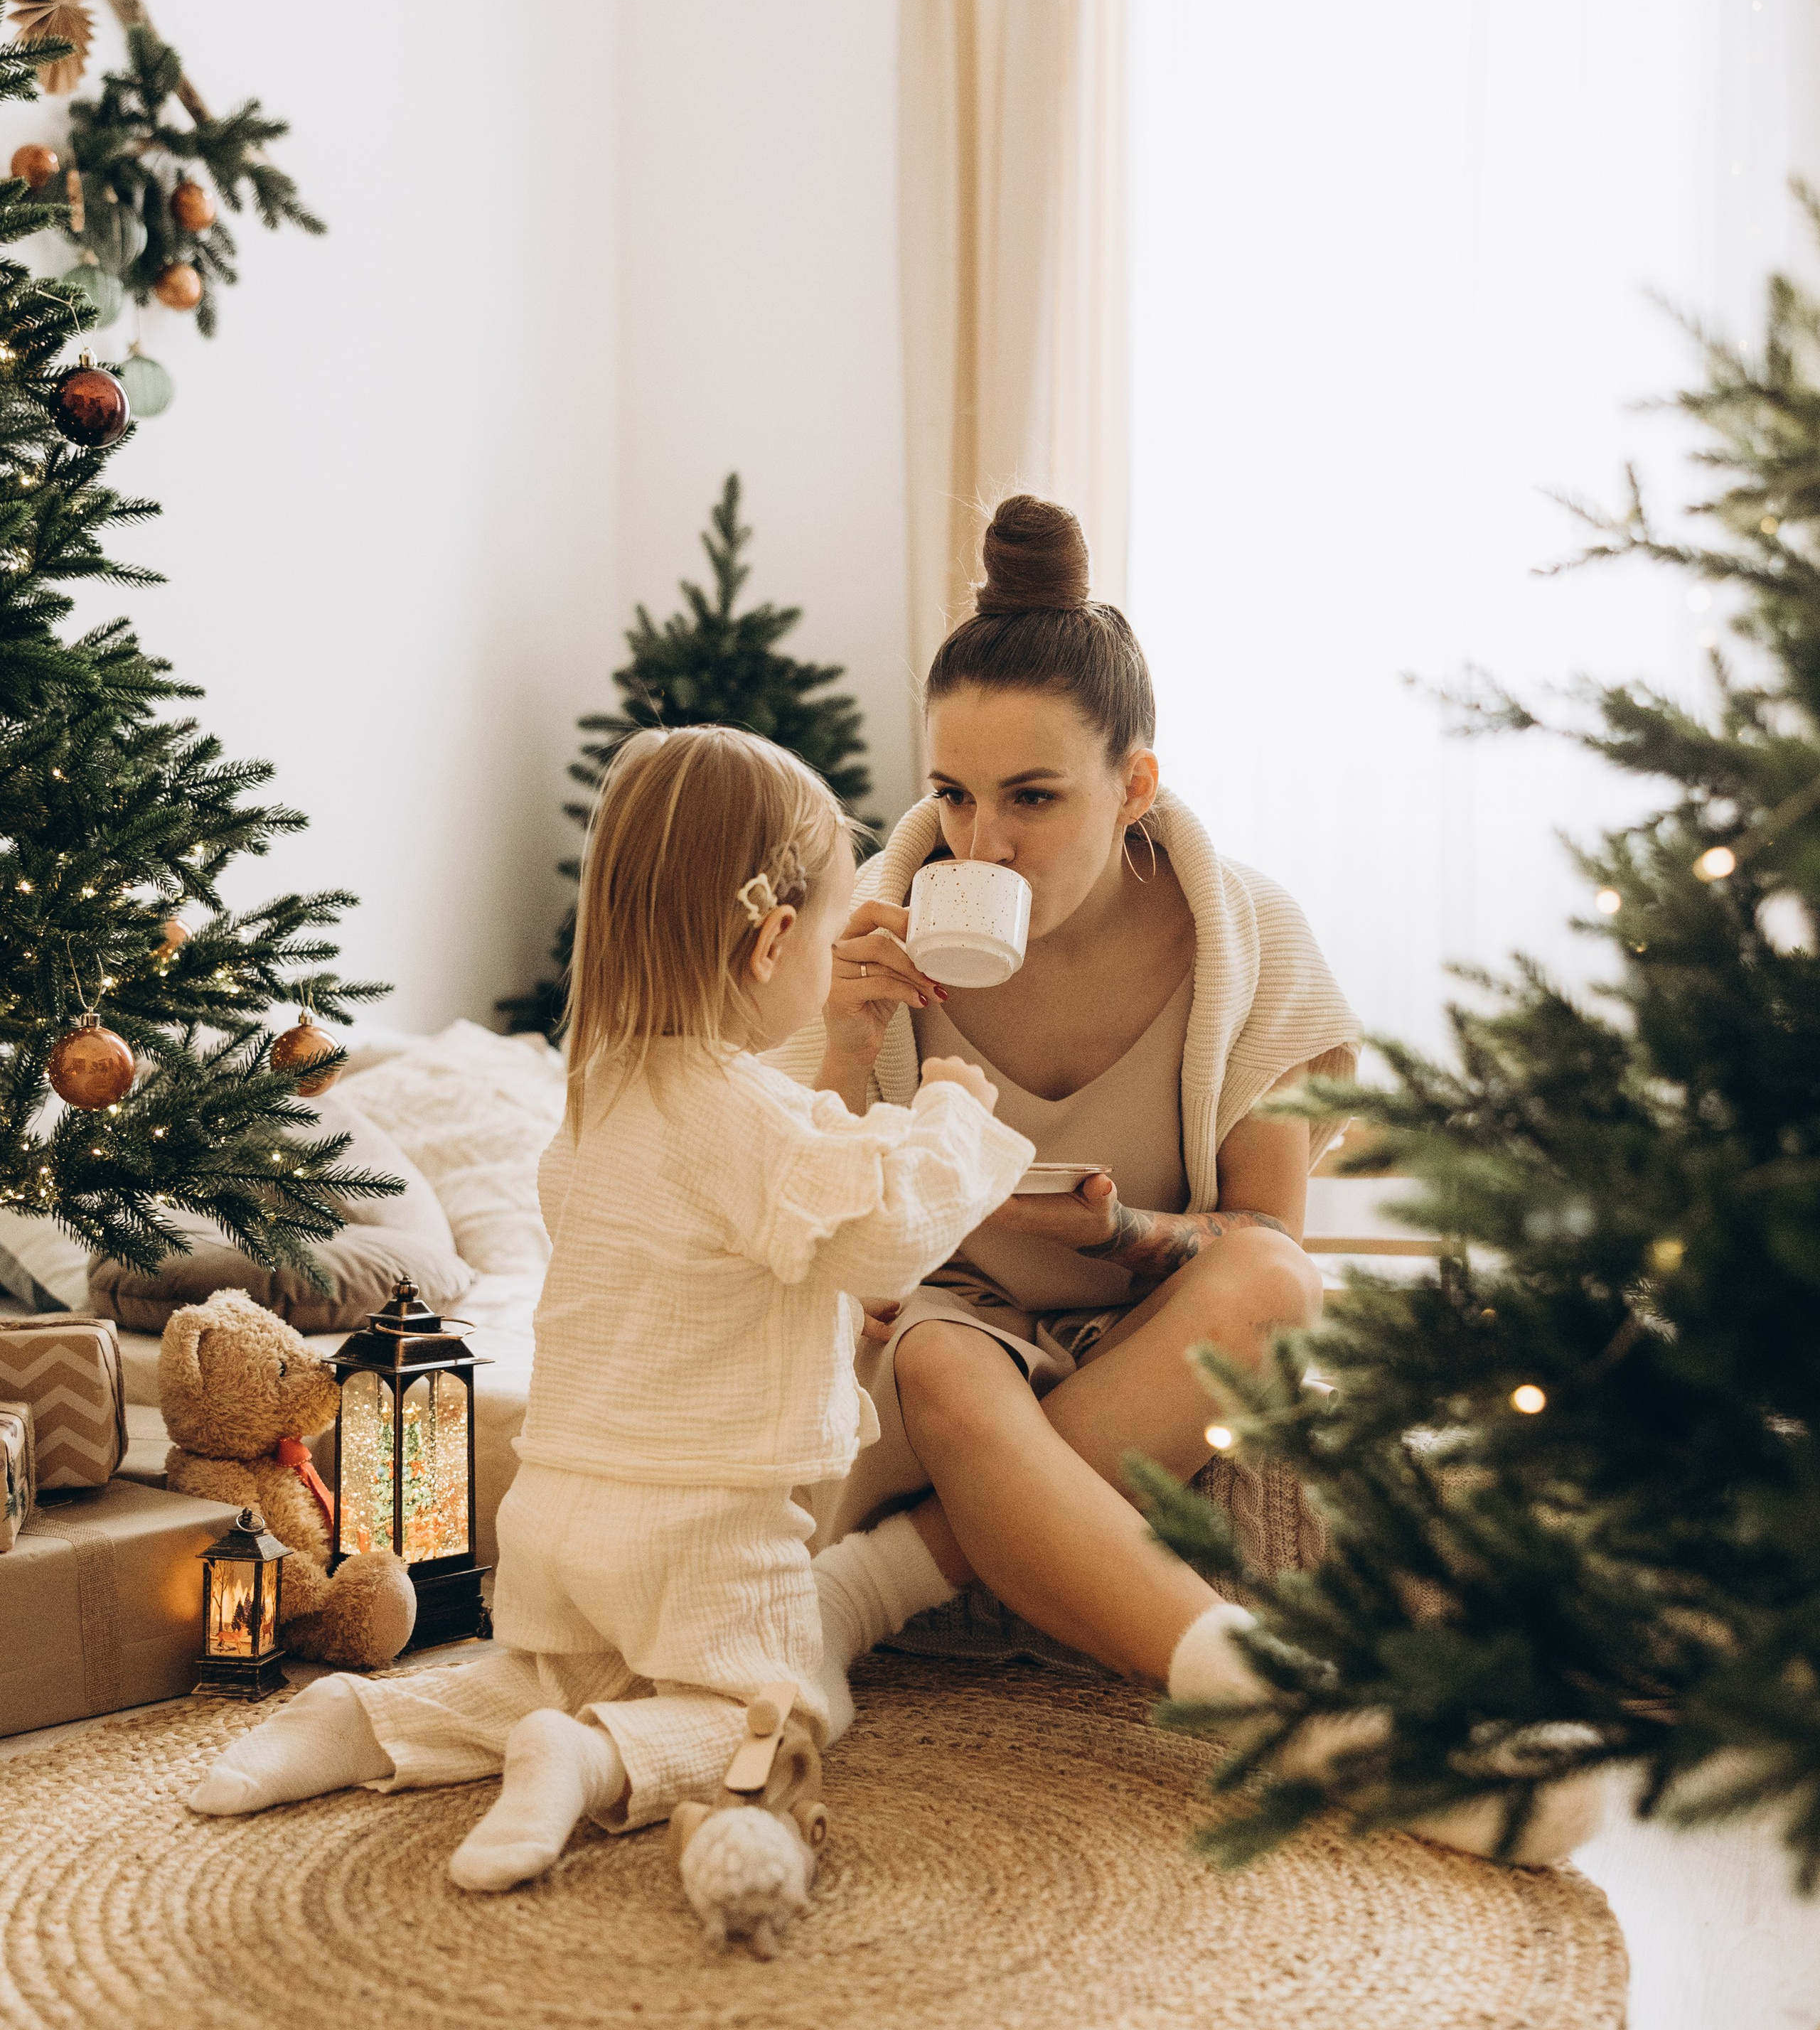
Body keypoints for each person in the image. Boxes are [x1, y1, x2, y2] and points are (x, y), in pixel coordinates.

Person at [787, 495, 1602, 1863]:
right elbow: (812, 1222)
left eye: (1034, 797)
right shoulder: (877, 934)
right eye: (952, 794)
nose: (981, 844)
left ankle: (875, 1584)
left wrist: (1128, 1234)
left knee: (1282, 1285)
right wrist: (845, 1035)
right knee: (939, 1362)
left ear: (1136, 787)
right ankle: (1304, 1713)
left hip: (1143, 1332)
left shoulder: (1250, 938)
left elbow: (1264, 1246)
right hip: (947, 1332)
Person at [187, 725, 1033, 1938]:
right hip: (703, 1522)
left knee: (545, 1673)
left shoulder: (600, 1098)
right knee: (784, 1706)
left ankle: (353, 1725)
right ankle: (587, 1766)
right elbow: (886, 1230)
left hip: (565, 1509)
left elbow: (731, 1250)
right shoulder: (747, 1117)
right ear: (774, 940)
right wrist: (952, 1117)